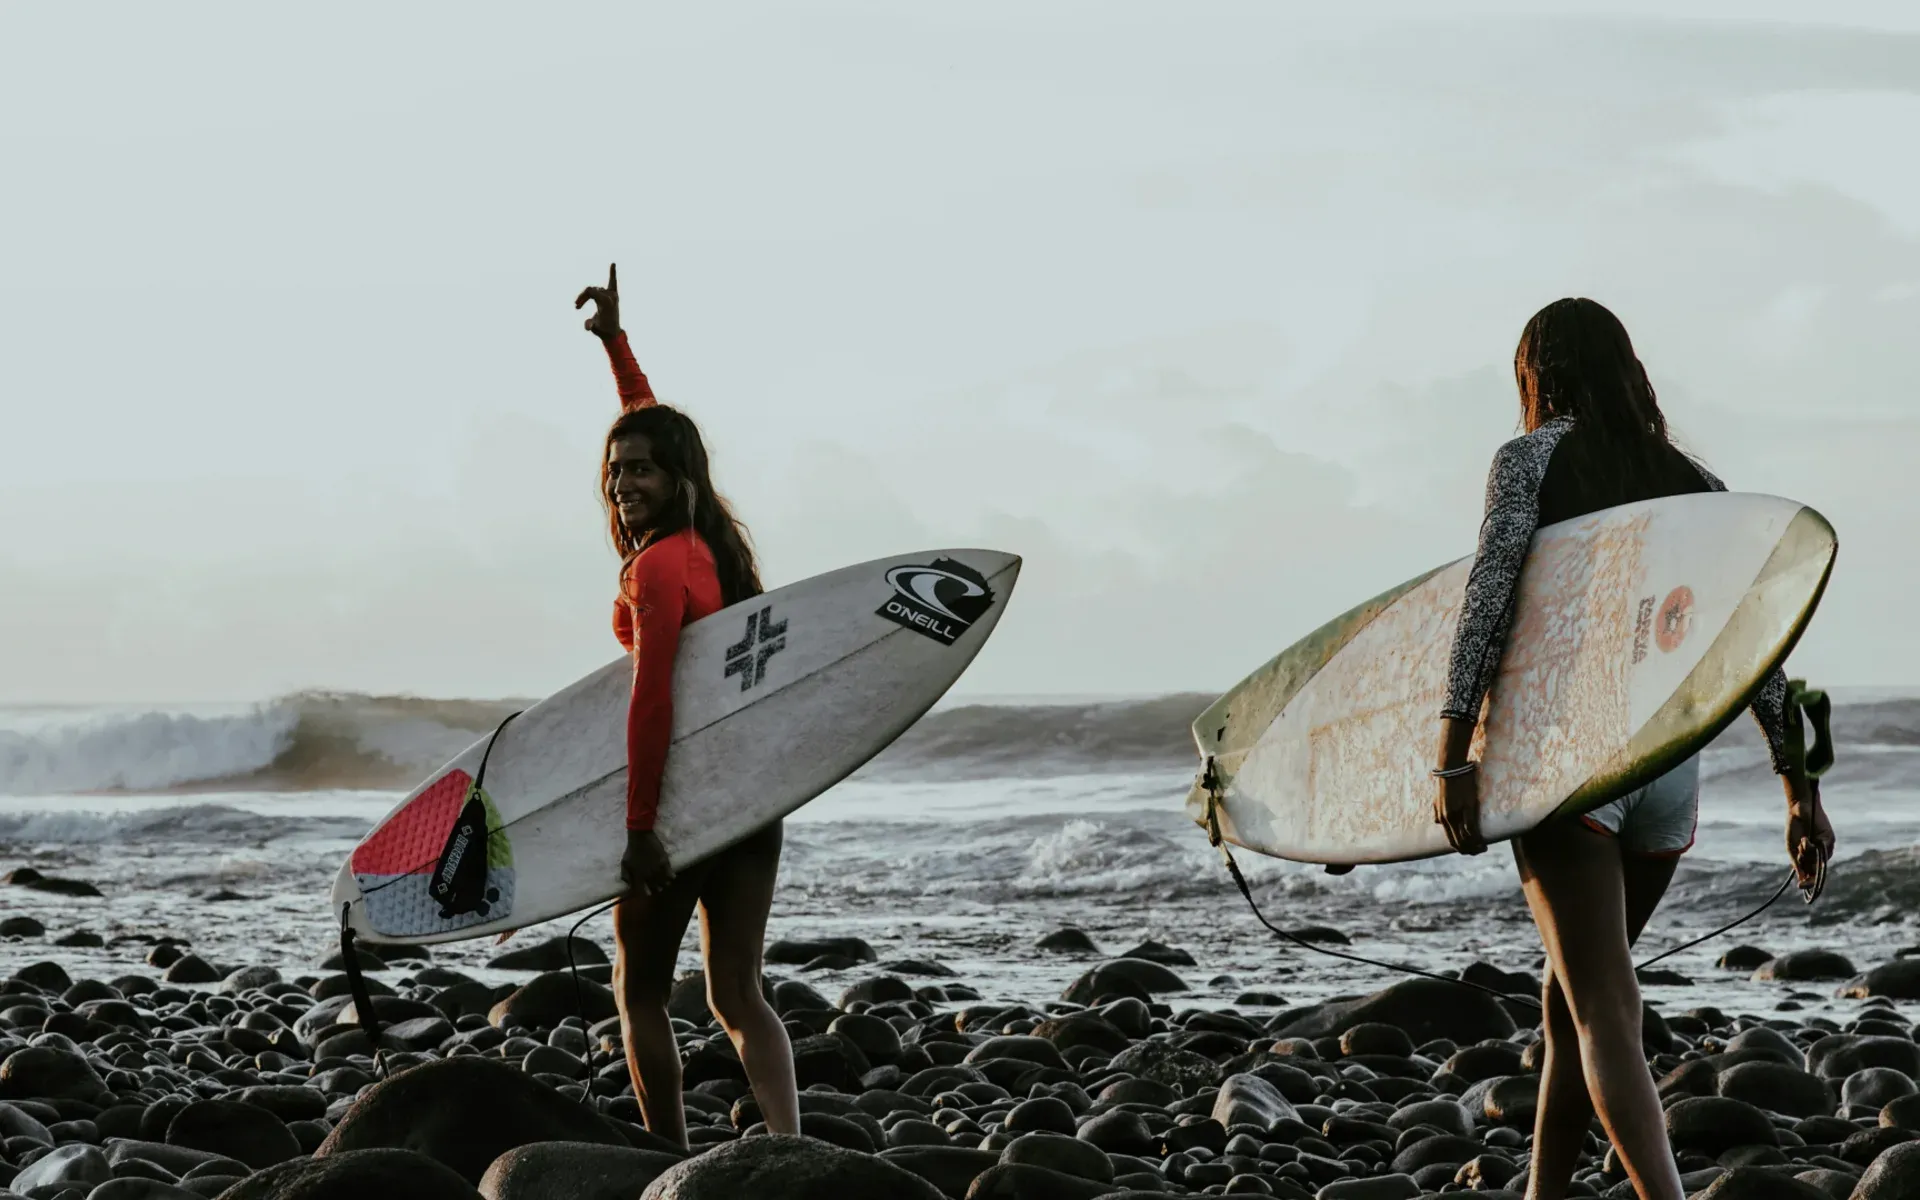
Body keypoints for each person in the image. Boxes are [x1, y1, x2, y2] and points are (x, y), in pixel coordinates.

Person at [1430, 298, 1834, 1200]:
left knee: (1605, 1006)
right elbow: (1755, 649)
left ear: (1537, 376)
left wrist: (1453, 752)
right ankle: (1546, 1191)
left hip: (1570, 764)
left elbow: (1488, 600)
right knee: (1571, 996)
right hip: (1666, 777)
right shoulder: (1694, 482)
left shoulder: (1528, 458)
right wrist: (1798, 790)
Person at [573, 263, 799, 1148]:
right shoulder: (709, 547)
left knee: (639, 991)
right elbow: (657, 430)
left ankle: (667, 1155)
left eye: (640, 472)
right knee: (738, 989)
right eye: (616, 468)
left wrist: (640, 828)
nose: (625, 481)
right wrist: (616, 346)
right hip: (752, 799)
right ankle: (787, 1144)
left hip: (683, 803)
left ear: (676, 479)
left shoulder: (656, 568)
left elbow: (652, 693)